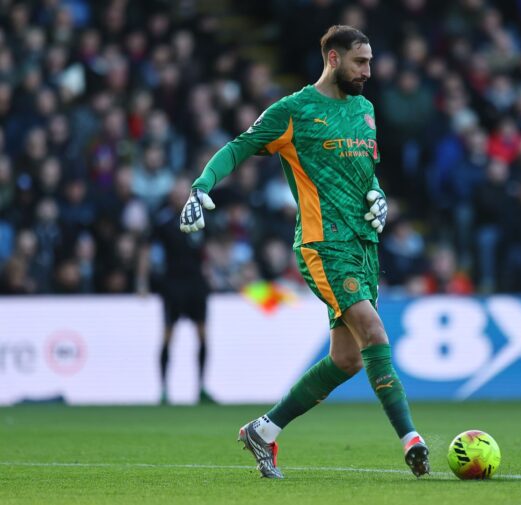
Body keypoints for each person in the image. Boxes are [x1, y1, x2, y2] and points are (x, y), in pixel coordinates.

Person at [179, 25, 429, 479]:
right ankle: (411, 439)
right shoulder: (293, 111)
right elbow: (239, 147)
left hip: (363, 247)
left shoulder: (365, 110)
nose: (368, 71)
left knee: (347, 359)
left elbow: (363, 171)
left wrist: (378, 196)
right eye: (360, 62)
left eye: (370, 61)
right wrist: (201, 186)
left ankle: (265, 430)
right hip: (322, 244)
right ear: (333, 59)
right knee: (373, 332)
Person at [153, 178, 214, 405]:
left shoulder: (201, 218)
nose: (180, 197)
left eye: (183, 193)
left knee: (202, 335)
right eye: (176, 193)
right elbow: (148, 249)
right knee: (168, 335)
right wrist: (142, 281)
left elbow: (208, 250)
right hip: (172, 285)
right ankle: (163, 389)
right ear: (171, 196)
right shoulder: (163, 222)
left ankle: (201, 388)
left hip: (197, 285)